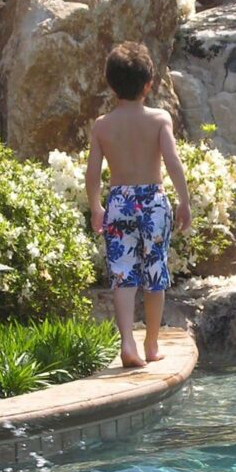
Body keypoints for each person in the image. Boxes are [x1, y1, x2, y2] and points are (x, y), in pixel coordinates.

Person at [85, 42, 192, 368]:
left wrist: (95, 207)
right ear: (149, 84)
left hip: (119, 202)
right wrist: (184, 201)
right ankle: (151, 343)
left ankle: (127, 341)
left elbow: (92, 172)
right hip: (153, 204)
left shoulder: (103, 125)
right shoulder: (159, 119)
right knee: (155, 272)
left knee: (123, 275)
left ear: (110, 83)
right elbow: (172, 162)